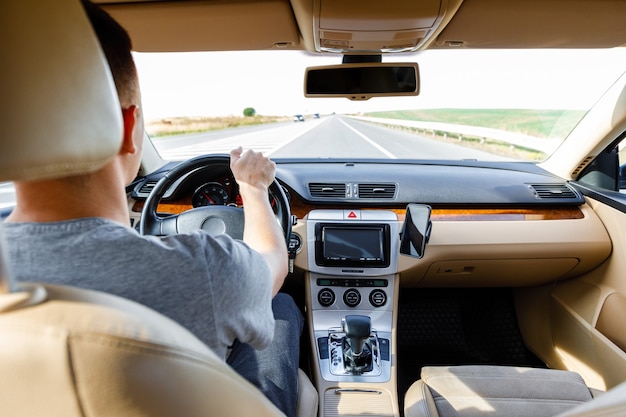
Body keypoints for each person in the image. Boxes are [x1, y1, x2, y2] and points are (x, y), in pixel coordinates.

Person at [3, 1, 303, 416]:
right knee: (281, 309)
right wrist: (252, 189)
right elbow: (273, 264)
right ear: (128, 129)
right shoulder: (206, 267)